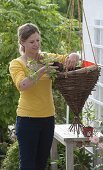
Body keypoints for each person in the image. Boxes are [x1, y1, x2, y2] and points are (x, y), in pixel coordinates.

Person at [9, 23, 79, 170]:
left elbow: (68, 58)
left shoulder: (47, 57)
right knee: (28, 165)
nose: (36, 44)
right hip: (27, 120)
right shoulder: (17, 64)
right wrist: (42, 70)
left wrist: (75, 55)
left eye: (38, 40)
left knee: (41, 164)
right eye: (31, 42)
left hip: (48, 118)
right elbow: (22, 85)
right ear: (22, 42)